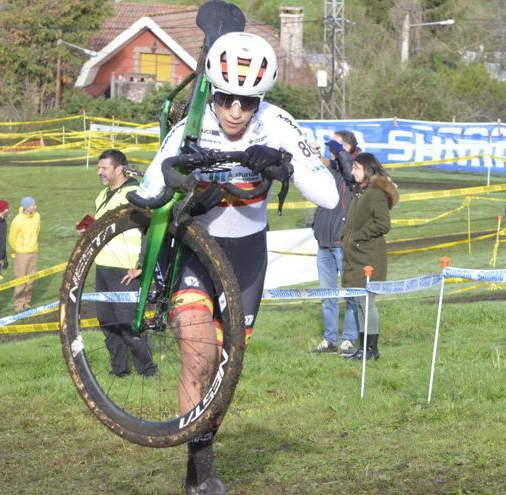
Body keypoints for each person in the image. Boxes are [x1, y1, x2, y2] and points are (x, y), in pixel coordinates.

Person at [135, 32, 339, 495]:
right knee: (198, 355)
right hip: (197, 251)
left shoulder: (277, 123)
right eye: (226, 98)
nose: (234, 111)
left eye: (247, 102)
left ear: (259, 100)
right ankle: (203, 473)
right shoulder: (192, 123)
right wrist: (178, 180)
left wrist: (285, 163)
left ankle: (197, 465)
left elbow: (328, 194)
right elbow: (147, 191)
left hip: (247, 257)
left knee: (224, 373)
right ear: (213, 92)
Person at [88, 148, 157, 379]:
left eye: (104, 168)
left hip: (126, 270)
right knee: (108, 324)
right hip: (103, 268)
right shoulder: (102, 195)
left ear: (119, 169)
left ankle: (148, 371)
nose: (100, 172)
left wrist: (141, 265)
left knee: (129, 325)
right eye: (99, 168)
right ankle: (119, 371)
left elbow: (150, 231)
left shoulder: (135, 194)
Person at [342, 153, 399, 361]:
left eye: (356, 168)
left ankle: (371, 349)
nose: (352, 172)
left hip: (368, 257)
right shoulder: (361, 191)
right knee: (359, 303)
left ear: (366, 169)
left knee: (366, 304)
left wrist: (357, 237)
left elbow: (383, 224)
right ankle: (363, 347)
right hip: (357, 256)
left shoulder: (375, 192)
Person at [311, 130, 359, 356]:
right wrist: (315, 154)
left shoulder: (357, 170)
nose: (332, 149)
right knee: (327, 295)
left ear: (348, 148)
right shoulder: (331, 169)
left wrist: (340, 152)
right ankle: (329, 339)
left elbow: (350, 170)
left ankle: (349, 339)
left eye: (336, 146)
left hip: (344, 243)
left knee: (351, 294)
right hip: (324, 242)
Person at [8, 196, 40, 312]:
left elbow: (37, 231)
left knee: (30, 279)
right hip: (22, 253)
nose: (35, 207)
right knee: (20, 279)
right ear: (27, 207)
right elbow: (12, 238)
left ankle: (26, 301)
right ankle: (18, 304)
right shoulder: (17, 220)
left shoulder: (37, 216)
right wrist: (18, 249)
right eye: (33, 205)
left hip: (33, 251)